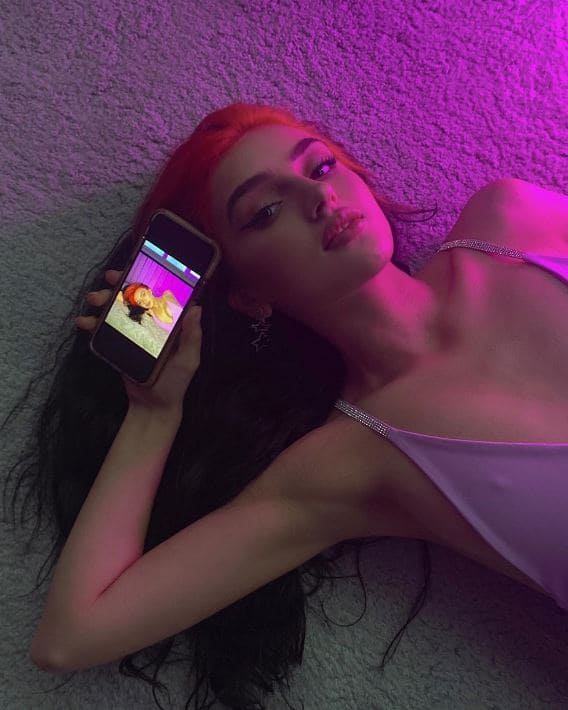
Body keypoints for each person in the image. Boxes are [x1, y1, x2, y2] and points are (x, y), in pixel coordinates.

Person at [4, 100, 566, 710]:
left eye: (320, 167)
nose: (317, 197)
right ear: (247, 295)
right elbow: (72, 634)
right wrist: (152, 413)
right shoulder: (347, 464)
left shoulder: (511, 221)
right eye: (267, 211)